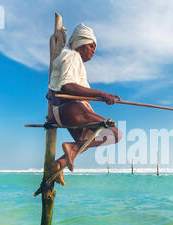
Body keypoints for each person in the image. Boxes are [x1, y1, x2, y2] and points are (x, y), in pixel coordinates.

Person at [48, 23, 122, 186]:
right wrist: (102, 94)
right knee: (115, 133)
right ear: (80, 44)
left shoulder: (73, 62)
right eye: (91, 45)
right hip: (71, 110)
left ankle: (58, 164)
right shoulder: (72, 56)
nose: (93, 49)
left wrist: (93, 97)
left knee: (88, 142)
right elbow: (67, 86)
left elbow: (54, 90)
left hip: (66, 113)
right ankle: (71, 150)